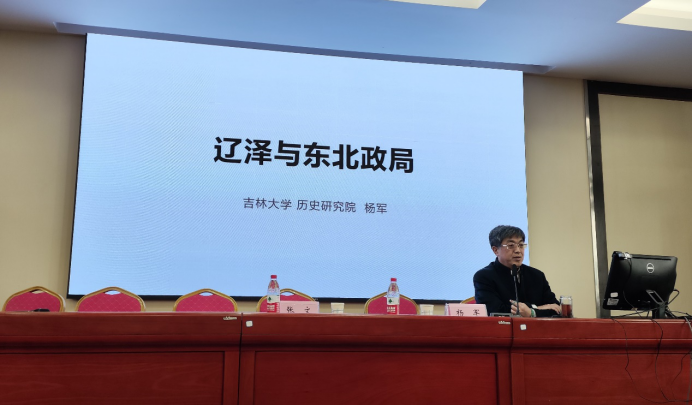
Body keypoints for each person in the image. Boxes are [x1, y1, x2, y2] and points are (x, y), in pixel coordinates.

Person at [473, 225, 560, 317]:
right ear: (495, 250)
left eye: (521, 245)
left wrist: (531, 312)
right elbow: (495, 312)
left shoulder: (537, 275)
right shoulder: (484, 276)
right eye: (511, 246)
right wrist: (533, 310)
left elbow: (556, 309)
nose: (518, 250)